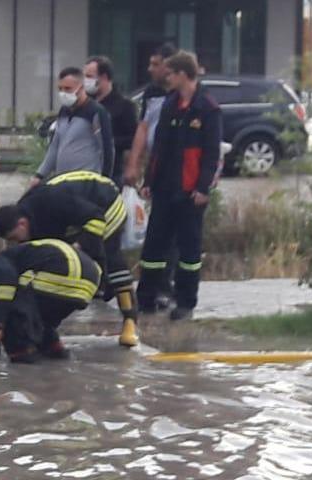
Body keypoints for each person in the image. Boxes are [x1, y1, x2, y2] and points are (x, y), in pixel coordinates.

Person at [0, 170, 139, 347]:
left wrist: (81, 245)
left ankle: (130, 322)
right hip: (79, 216)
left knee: (110, 257)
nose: (17, 243)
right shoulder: (29, 217)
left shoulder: (52, 202)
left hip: (105, 204)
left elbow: (96, 218)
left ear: (22, 223)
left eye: (15, 238)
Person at [137, 51, 222, 321]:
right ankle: (147, 297)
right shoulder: (170, 104)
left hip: (190, 191)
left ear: (183, 74)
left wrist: (203, 188)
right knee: (154, 246)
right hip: (165, 187)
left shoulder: (207, 108)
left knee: (189, 250)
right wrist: (149, 181)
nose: (166, 77)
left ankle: (185, 302)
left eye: (170, 73)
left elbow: (211, 154)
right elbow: (159, 147)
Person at [0, 239, 102, 363]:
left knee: (14, 299)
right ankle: (51, 345)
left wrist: (0, 322)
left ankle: (20, 351)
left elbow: (3, 286)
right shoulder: (27, 252)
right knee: (41, 314)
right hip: (89, 282)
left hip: (59, 272)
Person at [31, 67, 114, 187]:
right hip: (62, 181)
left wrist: (105, 180)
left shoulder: (96, 112)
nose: (63, 93)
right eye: (60, 89)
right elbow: (55, 146)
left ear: (81, 88)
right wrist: (39, 175)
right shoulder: (64, 111)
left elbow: (107, 148)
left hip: (86, 183)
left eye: (68, 89)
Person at [124, 43, 178, 186]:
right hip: (155, 159)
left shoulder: (182, 93)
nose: (150, 69)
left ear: (168, 66)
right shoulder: (152, 92)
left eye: (155, 64)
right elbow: (143, 127)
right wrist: (133, 164)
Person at [83, 56, 137, 188]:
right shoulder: (84, 104)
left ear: (104, 77)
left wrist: (106, 141)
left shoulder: (124, 106)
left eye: (90, 76)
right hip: (83, 172)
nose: (86, 81)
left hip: (110, 174)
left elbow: (132, 139)